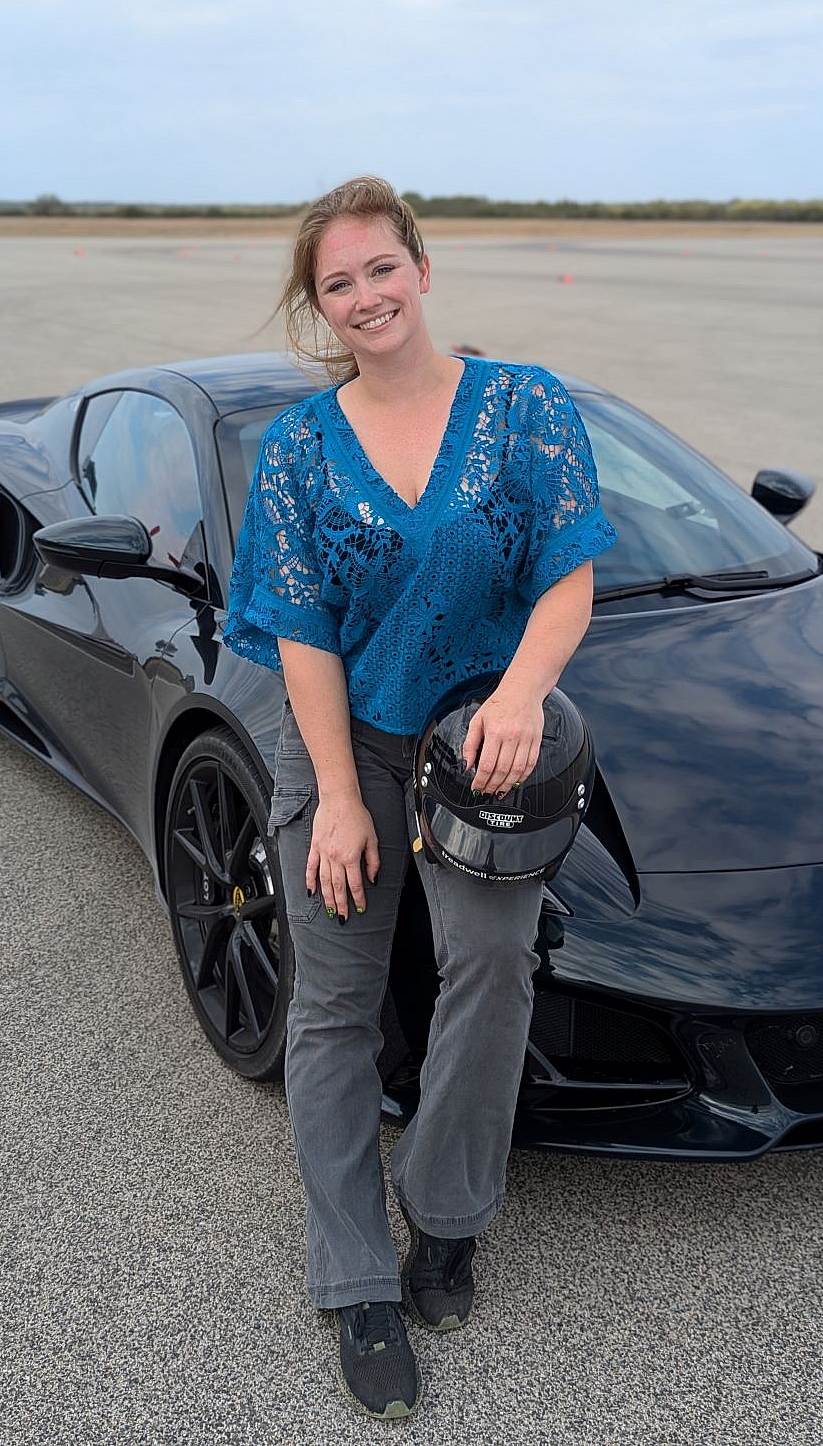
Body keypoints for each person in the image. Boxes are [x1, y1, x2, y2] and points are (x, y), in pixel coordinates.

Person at [224, 176, 616, 1420]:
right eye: (337, 283)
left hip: (482, 748)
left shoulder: (522, 406)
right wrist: (339, 794)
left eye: (380, 269)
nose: (365, 296)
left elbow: (570, 573)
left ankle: (446, 1217)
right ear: (320, 307)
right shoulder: (295, 450)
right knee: (333, 1006)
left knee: (493, 968)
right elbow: (302, 637)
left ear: (421, 269)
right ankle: (356, 1282)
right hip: (351, 744)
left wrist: (520, 695)